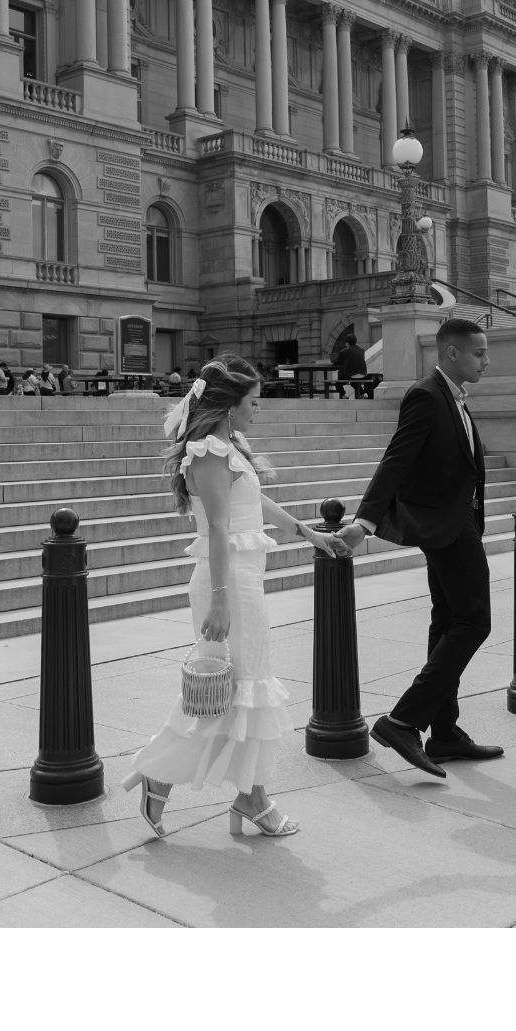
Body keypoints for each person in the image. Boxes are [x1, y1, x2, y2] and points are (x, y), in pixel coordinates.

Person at [120, 356, 351, 839]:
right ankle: (233, 793)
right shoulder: (205, 452)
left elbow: (253, 501)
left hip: (243, 580)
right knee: (229, 691)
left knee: (240, 692)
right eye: (252, 402)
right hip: (227, 584)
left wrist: (307, 532)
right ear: (229, 407)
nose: (257, 410)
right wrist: (222, 600)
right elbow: (221, 528)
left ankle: (236, 793)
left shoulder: (228, 448)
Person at [340, 318, 501, 777]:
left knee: (448, 621)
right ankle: (403, 721)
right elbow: (397, 458)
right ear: (451, 353)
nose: (486, 362)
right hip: (447, 526)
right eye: (479, 354)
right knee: (474, 622)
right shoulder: (426, 396)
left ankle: (445, 733)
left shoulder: (456, 399)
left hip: (455, 522)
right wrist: (365, 521)